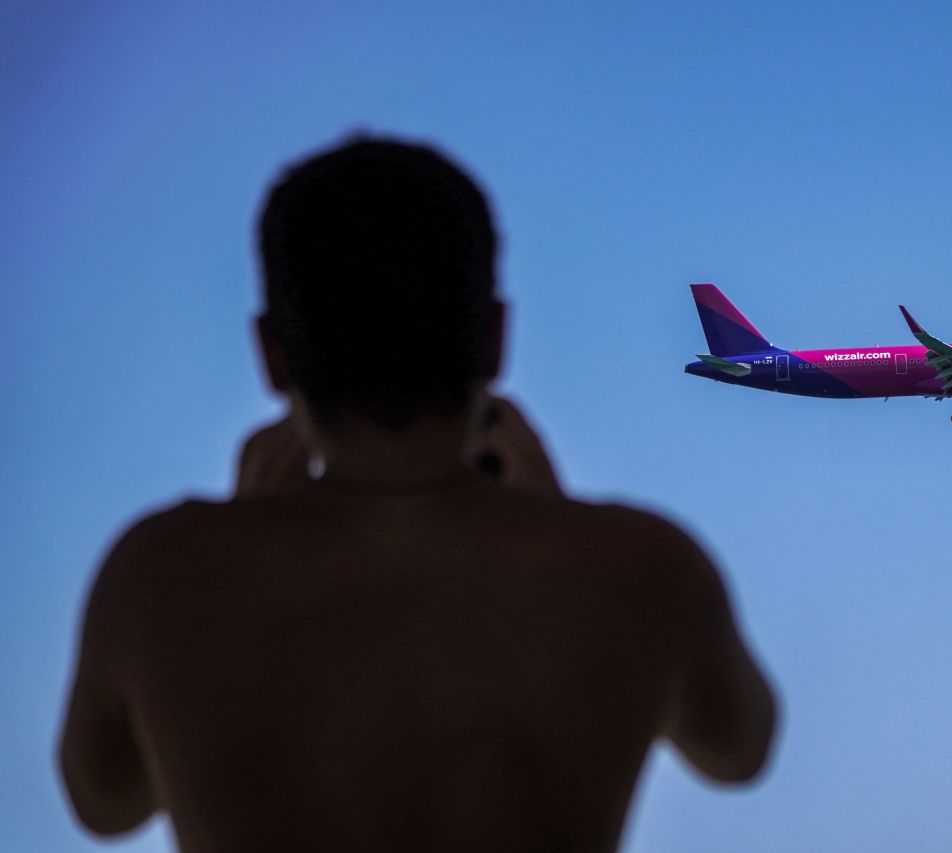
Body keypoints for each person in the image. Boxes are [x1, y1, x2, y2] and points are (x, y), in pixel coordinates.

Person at [58, 137, 776, 851]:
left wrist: (240, 530)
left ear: (272, 353)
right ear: (496, 340)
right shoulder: (642, 566)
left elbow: (104, 802)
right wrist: (555, 516)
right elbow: (738, 749)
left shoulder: (159, 574)